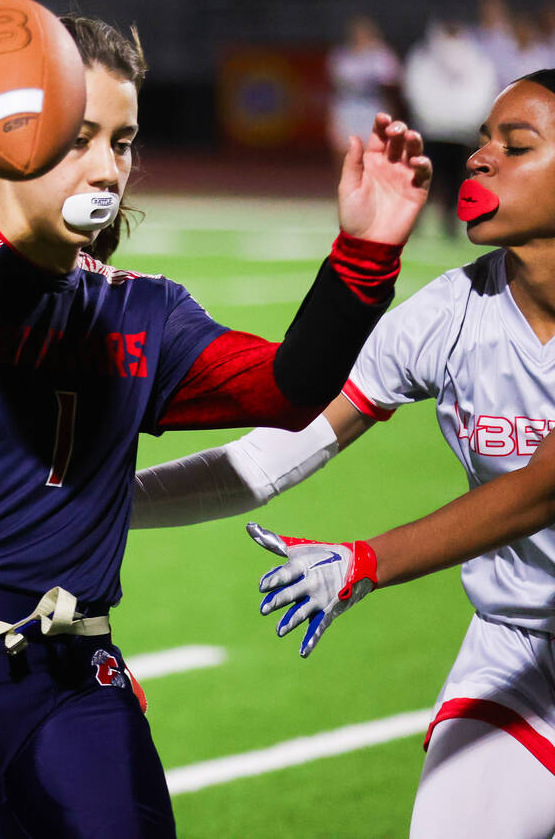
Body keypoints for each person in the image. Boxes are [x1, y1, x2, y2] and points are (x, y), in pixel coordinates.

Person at [0, 0, 430, 837]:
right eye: (79, 138)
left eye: (123, 142)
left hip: (75, 675)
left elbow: (287, 391)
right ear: (4, 131)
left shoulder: (146, 311)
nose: (108, 168)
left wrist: (364, 253)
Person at [131, 69, 555, 839]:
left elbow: (542, 490)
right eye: (483, 139)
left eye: (515, 145)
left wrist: (366, 560)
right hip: (519, 650)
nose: (480, 157)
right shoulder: (451, 312)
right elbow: (278, 453)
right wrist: (92, 501)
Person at [402, 19, 497, 237]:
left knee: (445, 180)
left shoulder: (433, 54)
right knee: (432, 179)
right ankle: (427, 221)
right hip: (444, 129)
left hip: (447, 129)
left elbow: (483, 88)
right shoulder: (471, 56)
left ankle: (445, 222)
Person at [327, 15, 400, 170]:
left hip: (372, 105)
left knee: (373, 151)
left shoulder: (381, 55)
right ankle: (346, 185)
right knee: (344, 150)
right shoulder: (342, 55)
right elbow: (337, 83)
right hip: (348, 105)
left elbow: (391, 83)